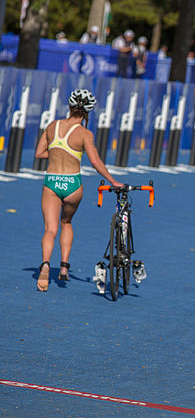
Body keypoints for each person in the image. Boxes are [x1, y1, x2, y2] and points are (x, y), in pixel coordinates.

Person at [33, 89, 124, 292]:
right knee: (66, 222)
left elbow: (39, 153)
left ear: (69, 107)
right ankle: (64, 266)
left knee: (50, 229)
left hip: (53, 182)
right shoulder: (84, 134)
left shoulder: (53, 126)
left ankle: (45, 265)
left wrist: (58, 152)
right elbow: (95, 161)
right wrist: (112, 180)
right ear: (87, 113)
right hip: (73, 184)